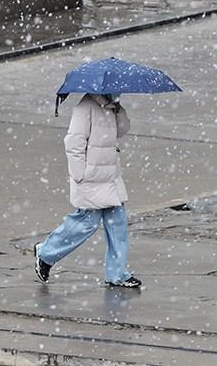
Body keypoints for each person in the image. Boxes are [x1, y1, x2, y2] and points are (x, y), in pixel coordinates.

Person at [34, 93, 142, 288]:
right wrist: (80, 175)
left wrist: (119, 110)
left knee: (118, 226)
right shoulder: (85, 108)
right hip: (91, 179)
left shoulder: (111, 106)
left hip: (110, 176)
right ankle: (45, 253)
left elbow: (122, 130)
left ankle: (118, 274)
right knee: (86, 223)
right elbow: (73, 143)